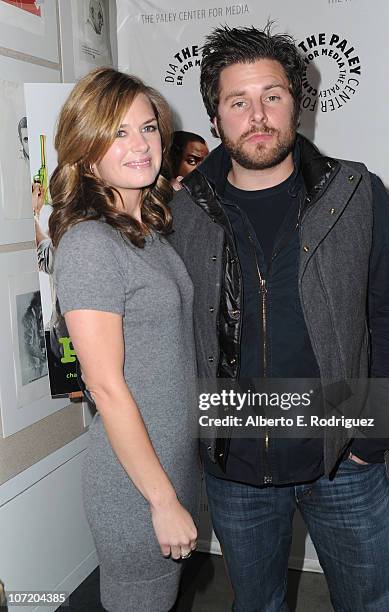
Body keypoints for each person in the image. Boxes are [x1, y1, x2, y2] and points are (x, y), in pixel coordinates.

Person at [167, 24, 389, 612]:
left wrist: (373, 438)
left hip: (343, 461)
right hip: (236, 464)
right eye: (238, 102)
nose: (258, 115)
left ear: (297, 104)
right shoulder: (183, 211)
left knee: (370, 604)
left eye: (272, 96)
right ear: (216, 118)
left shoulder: (356, 192)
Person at [50, 67, 200, 612]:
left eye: (148, 128)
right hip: (136, 484)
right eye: (118, 132)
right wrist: (161, 501)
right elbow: (105, 386)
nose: (140, 144)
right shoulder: (91, 244)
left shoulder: (147, 232)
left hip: (167, 464)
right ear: (87, 151)